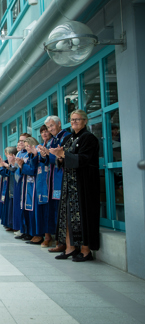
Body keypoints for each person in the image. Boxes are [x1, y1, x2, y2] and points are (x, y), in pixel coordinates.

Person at [50, 110, 100, 262]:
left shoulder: (89, 138)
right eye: (72, 120)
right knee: (66, 216)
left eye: (78, 119)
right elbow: (61, 160)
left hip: (83, 183)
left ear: (85, 121)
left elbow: (84, 159)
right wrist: (59, 156)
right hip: (68, 183)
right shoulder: (69, 138)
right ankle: (70, 247)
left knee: (84, 216)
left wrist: (64, 155)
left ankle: (85, 250)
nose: (74, 122)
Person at [37, 115, 71, 253]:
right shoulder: (53, 140)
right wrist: (44, 155)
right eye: (48, 127)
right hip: (51, 180)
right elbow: (49, 159)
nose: (50, 129)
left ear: (59, 124)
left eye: (51, 126)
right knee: (54, 211)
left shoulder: (66, 137)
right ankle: (58, 240)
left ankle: (63, 242)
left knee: (61, 211)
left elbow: (61, 157)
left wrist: (49, 155)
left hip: (61, 177)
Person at [13, 133, 32, 240]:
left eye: (23, 141)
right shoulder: (20, 153)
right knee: (21, 207)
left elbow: (30, 168)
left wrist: (21, 166)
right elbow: (16, 168)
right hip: (19, 182)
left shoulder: (29, 154)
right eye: (20, 141)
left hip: (28, 183)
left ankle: (29, 231)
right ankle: (23, 229)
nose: (21, 143)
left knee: (27, 207)